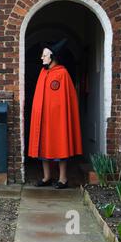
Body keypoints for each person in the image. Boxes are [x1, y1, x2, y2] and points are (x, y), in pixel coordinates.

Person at [28, 38, 82, 189]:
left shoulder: (62, 74)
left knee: (60, 148)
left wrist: (59, 116)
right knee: (43, 149)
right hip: (42, 119)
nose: (41, 58)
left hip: (58, 120)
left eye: (44, 55)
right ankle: (47, 177)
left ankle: (63, 179)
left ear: (52, 57)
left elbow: (66, 100)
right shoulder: (43, 73)